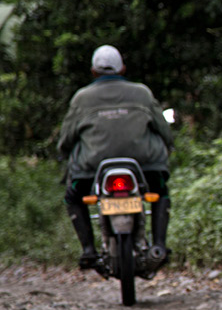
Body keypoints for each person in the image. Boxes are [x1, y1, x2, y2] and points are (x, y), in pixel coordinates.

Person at [59, 45, 174, 270]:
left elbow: (67, 137)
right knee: (160, 192)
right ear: (122, 69)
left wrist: (63, 153)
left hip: (91, 168)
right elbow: (163, 129)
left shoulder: (81, 98)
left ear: (93, 72)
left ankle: (89, 250)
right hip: (146, 165)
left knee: (73, 197)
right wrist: (168, 146)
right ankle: (159, 245)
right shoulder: (142, 92)